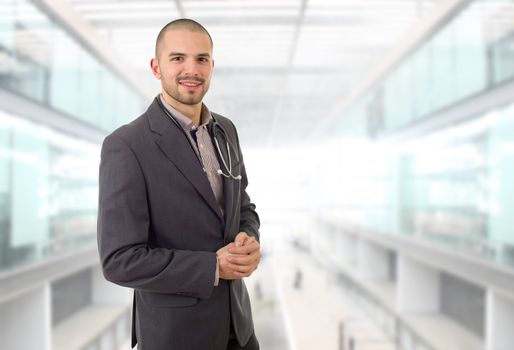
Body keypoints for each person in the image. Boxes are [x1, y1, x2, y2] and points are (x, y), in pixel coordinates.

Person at [97, 18, 261, 350]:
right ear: (156, 67)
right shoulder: (127, 144)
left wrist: (249, 239)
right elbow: (119, 260)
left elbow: (242, 206)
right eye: (177, 58)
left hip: (239, 329)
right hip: (176, 337)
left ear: (212, 66)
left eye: (202, 59)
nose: (192, 69)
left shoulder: (225, 130)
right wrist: (213, 267)